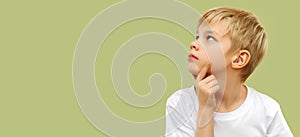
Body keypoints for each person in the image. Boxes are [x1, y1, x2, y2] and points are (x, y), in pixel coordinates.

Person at [165, 7, 293, 137]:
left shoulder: (267, 111)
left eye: (209, 38)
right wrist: (206, 109)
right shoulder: (179, 104)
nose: (193, 43)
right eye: (197, 37)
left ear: (238, 59)